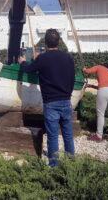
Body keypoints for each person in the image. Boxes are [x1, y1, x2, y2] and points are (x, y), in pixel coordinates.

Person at [18, 29, 75, 167]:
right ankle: (72, 165)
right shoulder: (68, 57)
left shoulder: (43, 58)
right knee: (68, 134)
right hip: (67, 101)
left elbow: (29, 69)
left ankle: (54, 166)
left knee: (53, 136)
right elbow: (72, 78)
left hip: (51, 103)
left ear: (46, 42)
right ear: (59, 42)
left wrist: (22, 62)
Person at [83, 63, 108, 142]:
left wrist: (84, 69)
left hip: (104, 91)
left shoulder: (99, 67)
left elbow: (88, 71)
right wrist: (91, 86)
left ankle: (98, 136)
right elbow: (106, 87)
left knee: (100, 114)